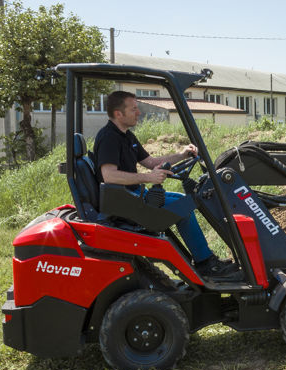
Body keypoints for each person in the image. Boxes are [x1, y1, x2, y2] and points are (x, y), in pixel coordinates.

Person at [93, 90, 237, 278]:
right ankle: (205, 264)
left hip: (132, 195)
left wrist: (182, 154)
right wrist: (148, 178)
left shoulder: (127, 136)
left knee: (183, 200)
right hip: (123, 204)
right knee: (182, 208)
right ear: (118, 114)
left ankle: (204, 260)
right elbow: (109, 175)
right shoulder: (109, 138)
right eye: (134, 109)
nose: (139, 112)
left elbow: (151, 163)